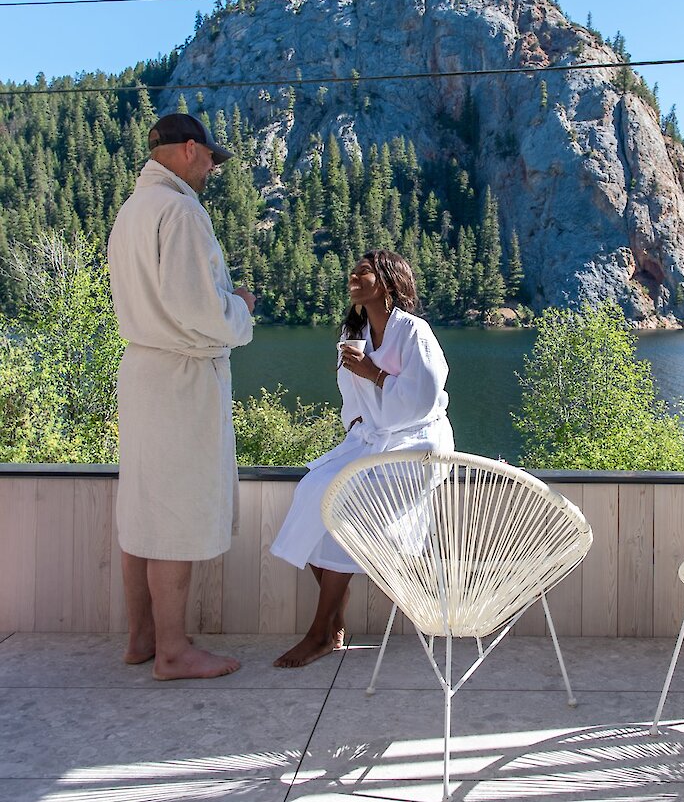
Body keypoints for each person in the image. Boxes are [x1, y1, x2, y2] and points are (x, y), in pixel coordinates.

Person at [108, 113, 256, 681]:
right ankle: (172, 650)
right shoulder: (182, 212)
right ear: (189, 149)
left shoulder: (131, 211)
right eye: (211, 159)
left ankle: (142, 636)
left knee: (143, 508)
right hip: (180, 380)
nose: (213, 170)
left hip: (143, 374)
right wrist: (241, 304)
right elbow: (201, 313)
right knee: (173, 514)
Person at [270, 249, 453, 668]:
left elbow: (422, 398)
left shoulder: (414, 332)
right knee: (312, 489)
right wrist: (358, 414)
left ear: (388, 282)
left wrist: (373, 373)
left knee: (348, 503)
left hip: (416, 445)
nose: (353, 276)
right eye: (352, 271)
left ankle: (321, 631)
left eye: (364, 271)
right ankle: (334, 609)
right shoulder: (355, 332)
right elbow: (351, 399)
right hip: (371, 439)